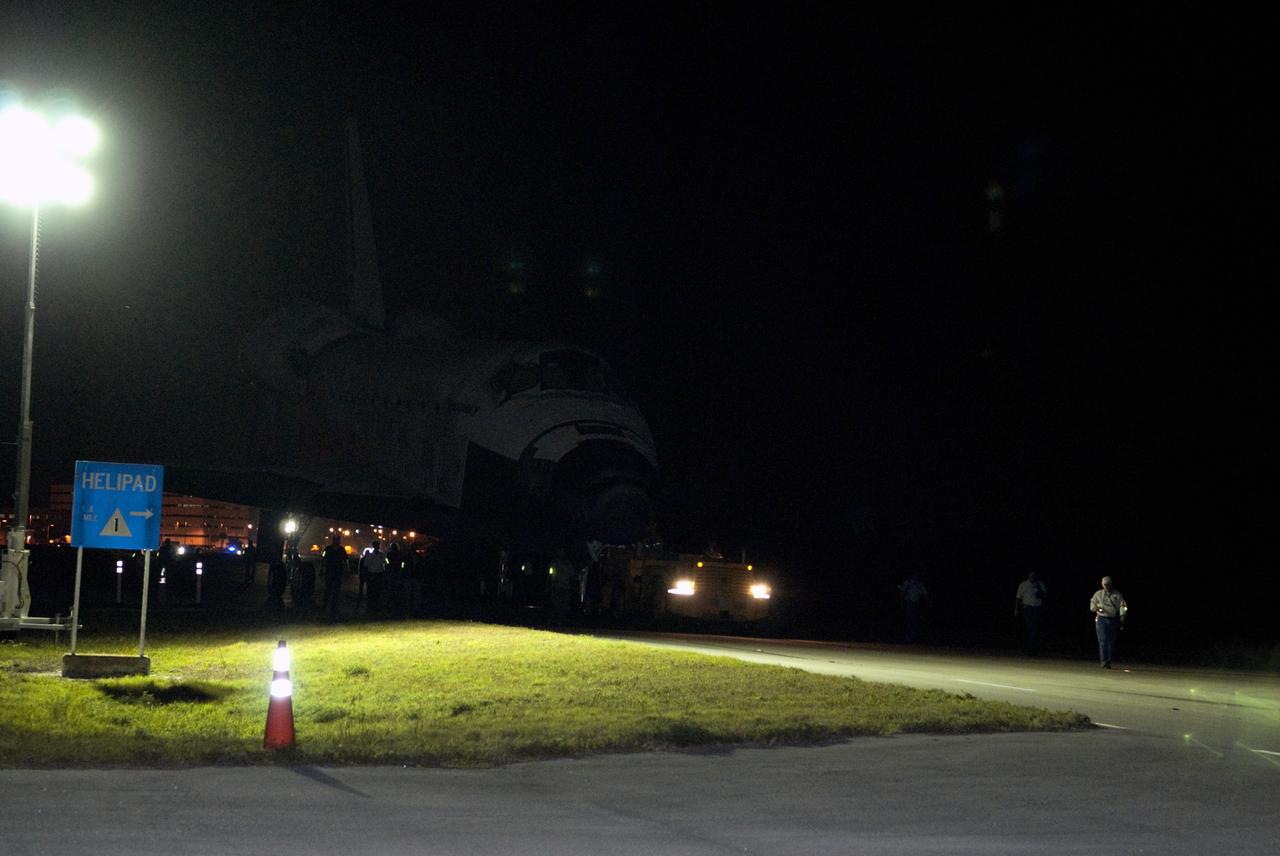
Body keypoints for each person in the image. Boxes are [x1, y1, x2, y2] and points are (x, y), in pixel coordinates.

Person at [1089, 575, 1128, 668]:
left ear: (1111, 584)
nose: (1107, 586)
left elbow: (1123, 605)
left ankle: (1108, 661)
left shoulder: (1117, 594)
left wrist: (1122, 615)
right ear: (1102, 584)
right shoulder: (1098, 594)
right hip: (1101, 619)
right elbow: (1092, 606)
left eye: (1108, 584)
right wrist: (1096, 608)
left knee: (1111, 641)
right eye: (1105, 584)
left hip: (1113, 619)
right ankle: (1104, 661)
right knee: (1103, 640)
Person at [1014, 570, 1048, 655]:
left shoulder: (1040, 583)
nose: (1032, 577)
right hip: (1027, 608)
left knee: (1035, 628)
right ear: (1028, 575)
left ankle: (1034, 649)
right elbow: (1018, 597)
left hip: (1037, 608)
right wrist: (1016, 609)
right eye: (1031, 575)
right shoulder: (1023, 584)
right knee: (1028, 627)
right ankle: (1026, 648)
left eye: (1034, 575)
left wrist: (1038, 587)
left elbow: (1044, 595)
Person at [322, 533, 346, 620]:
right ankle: (325, 607)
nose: (337, 541)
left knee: (336, 591)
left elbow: (345, 560)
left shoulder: (341, 549)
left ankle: (334, 608)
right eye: (336, 539)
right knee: (328, 590)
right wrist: (322, 569)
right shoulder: (327, 549)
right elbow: (323, 558)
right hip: (330, 572)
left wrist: (347, 570)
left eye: (338, 540)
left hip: (338, 573)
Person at [898, 573, 929, 643]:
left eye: (916, 575)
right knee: (909, 620)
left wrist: (926, 605)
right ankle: (908, 638)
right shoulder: (907, 583)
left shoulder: (919, 585)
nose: (915, 576)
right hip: (908, 603)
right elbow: (902, 592)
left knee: (915, 621)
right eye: (914, 575)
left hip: (917, 605)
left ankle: (914, 637)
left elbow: (925, 595)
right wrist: (901, 602)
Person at [360, 539, 388, 615]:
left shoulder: (382, 555)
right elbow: (366, 566)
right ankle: (371, 605)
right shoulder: (370, 555)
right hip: (372, 574)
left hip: (378, 574)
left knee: (377, 590)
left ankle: (375, 605)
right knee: (371, 590)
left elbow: (386, 563)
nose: (377, 547)